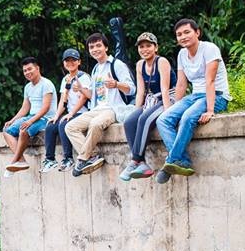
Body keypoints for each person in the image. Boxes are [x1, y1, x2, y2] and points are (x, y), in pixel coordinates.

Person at [154, 18, 231, 183]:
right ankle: (182, 160)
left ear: (197, 33)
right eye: (179, 34)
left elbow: (209, 81)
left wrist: (210, 110)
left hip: (217, 96)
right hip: (195, 96)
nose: (183, 37)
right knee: (163, 119)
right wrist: (175, 108)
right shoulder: (182, 54)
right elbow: (181, 84)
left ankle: (170, 161)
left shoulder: (209, 49)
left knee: (188, 117)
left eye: (187, 32)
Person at [66, 33, 135, 176]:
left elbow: (131, 89)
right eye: (91, 47)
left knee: (96, 124)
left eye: (98, 45)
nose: (95, 49)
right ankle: (93, 155)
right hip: (97, 109)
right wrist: (82, 90)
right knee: (70, 127)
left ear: (106, 47)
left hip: (114, 109)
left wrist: (116, 84)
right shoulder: (96, 69)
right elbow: (94, 96)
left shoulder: (117, 65)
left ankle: (83, 158)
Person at [119, 32, 176, 181]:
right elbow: (141, 91)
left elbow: (164, 88)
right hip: (152, 100)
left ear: (156, 47)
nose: (145, 49)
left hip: (167, 98)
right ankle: (142, 163)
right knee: (130, 121)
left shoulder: (162, 61)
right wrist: (136, 109)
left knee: (144, 119)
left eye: (148, 46)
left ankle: (135, 160)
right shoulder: (140, 65)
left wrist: (169, 111)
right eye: (141, 47)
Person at [2, 56, 57, 174]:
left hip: (45, 118)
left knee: (23, 131)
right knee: (6, 130)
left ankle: (14, 161)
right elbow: (25, 108)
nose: (27, 72)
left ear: (37, 68)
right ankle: (21, 160)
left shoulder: (46, 84)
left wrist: (30, 121)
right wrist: (13, 120)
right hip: (31, 116)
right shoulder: (27, 87)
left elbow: (46, 108)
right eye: (25, 70)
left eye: (29, 69)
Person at [40, 48, 91, 173]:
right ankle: (50, 159)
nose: (70, 63)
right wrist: (56, 115)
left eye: (73, 60)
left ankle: (68, 158)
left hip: (82, 112)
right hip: (70, 112)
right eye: (67, 61)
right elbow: (64, 100)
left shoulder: (84, 77)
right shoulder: (65, 79)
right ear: (64, 63)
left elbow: (84, 98)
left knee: (64, 123)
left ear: (79, 62)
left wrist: (71, 114)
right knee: (51, 125)